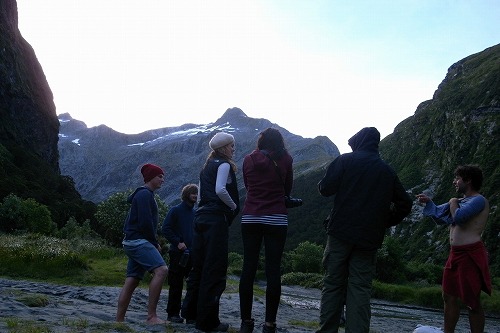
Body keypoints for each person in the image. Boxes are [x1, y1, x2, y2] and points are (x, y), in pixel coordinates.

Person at [316, 127, 413, 333]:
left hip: (340, 232)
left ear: (358, 142)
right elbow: (405, 204)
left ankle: (327, 330)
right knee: (360, 288)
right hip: (369, 238)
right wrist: (384, 221)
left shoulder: (345, 161)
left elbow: (325, 189)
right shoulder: (387, 171)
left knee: (333, 283)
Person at [416, 165, 491, 333]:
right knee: (448, 296)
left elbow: (460, 218)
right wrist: (429, 202)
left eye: (457, 178)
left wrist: (452, 202)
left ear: (468, 180)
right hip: (455, 254)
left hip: (470, 253)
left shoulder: (478, 200)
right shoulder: (459, 201)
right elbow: (439, 216)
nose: (454, 182)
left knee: (472, 301)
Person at [181, 132, 240, 332]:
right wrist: (232, 207)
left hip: (200, 218)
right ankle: (208, 322)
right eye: (231, 146)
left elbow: (200, 198)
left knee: (198, 266)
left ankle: (190, 314)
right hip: (215, 220)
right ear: (224, 148)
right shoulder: (223, 165)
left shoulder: (206, 167)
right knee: (213, 269)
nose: (233, 149)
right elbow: (220, 190)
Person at [238, 128, 294, 333]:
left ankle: (246, 322)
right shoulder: (286, 159)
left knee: (248, 268)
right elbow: (287, 190)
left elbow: (248, 186)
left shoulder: (248, 160)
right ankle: (269, 324)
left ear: (261, 142)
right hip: (276, 219)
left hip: (251, 216)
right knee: (273, 270)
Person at [116, 163, 169, 324]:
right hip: (139, 241)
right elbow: (146, 222)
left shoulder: (142, 194)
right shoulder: (145, 195)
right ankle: (151, 316)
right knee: (161, 270)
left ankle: (119, 320)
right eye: (160, 176)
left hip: (131, 241)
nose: (162, 180)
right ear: (151, 177)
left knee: (132, 279)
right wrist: (154, 242)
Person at [161, 183, 199, 323]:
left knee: (193, 284)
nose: (195, 195)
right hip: (177, 253)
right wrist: (178, 242)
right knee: (176, 284)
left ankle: (189, 314)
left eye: (196, 193)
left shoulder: (196, 213)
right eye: (192, 193)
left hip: (193, 254)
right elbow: (166, 228)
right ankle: (173, 314)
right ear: (186, 194)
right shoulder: (175, 210)